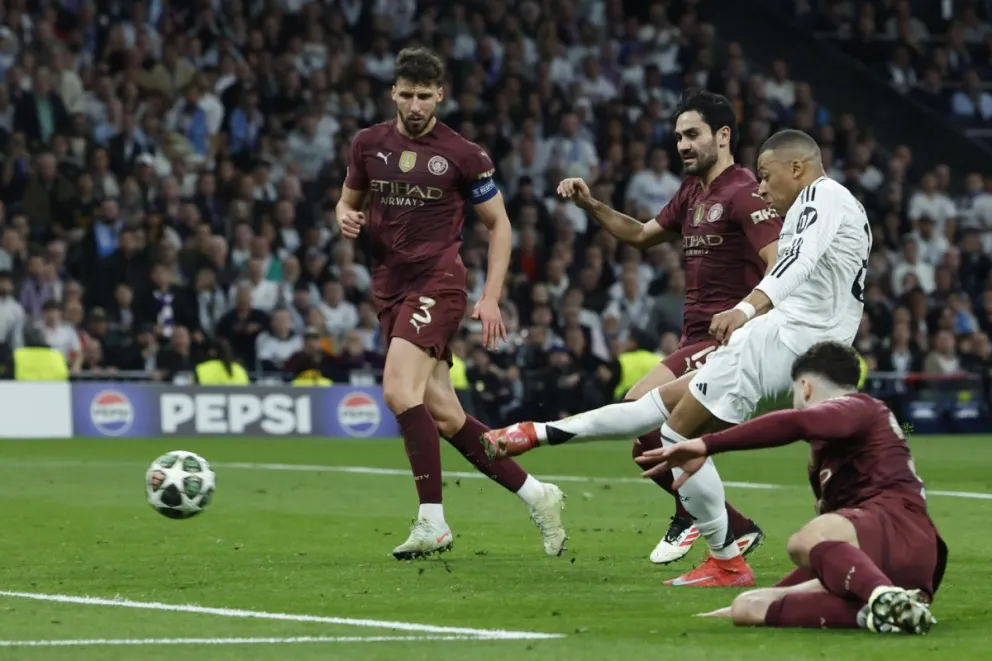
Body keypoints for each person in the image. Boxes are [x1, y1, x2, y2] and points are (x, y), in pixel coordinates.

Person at [483, 129, 872, 587]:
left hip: (784, 342)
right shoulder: (838, 206)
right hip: (792, 343)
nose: (762, 189)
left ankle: (727, 557)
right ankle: (537, 433)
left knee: (675, 436)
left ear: (797, 168)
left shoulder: (821, 195)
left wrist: (744, 308)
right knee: (653, 409)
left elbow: (795, 263)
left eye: (766, 177)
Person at [336, 47, 566, 560]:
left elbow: (500, 224)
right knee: (444, 416)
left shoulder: (464, 154)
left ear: (440, 95)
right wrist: (343, 219)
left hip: (437, 284)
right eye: (407, 94)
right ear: (393, 92)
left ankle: (432, 521)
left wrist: (491, 295)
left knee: (398, 390)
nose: (415, 104)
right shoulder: (367, 144)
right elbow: (347, 203)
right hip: (388, 288)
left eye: (425, 95)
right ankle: (538, 494)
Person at [555, 89, 781, 564]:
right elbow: (639, 235)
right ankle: (729, 526)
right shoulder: (692, 193)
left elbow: (778, 266)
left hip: (727, 338)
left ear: (723, 136)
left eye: (693, 134)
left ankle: (702, 521)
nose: (682, 144)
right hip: (693, 337)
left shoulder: (744, 193)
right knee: (645, 439)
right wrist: (590, 204)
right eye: (678, 136)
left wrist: (744, 316)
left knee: (640, 418)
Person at [636, 342, 945, 634]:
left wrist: (705, 443)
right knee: (749, 607)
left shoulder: (859, 407)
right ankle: (886, 611)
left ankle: (881, 595)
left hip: (898, 528)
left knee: (807, 539)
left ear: (805, 387)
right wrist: (769, 597)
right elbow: (831, 558)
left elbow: (797, 424)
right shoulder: (831, 452)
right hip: (886, 563)